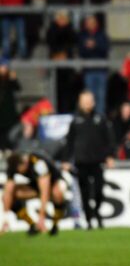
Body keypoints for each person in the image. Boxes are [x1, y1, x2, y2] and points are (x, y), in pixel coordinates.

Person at [64, 91, 115, 230]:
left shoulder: (100, 118)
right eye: (85, 100)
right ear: (80, 103)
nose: (88, 103)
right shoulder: (75, 120)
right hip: (81, 161)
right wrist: (67, 160)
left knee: (99, 190)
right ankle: (89, 220)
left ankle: (96, 211)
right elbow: (69, 142)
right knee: (84, 192)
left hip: (98, 161)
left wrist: (110, 156)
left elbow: (109, 139)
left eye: (90, 100)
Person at [2, 151, 68, 236]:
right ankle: (32, 225)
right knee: (11, 194)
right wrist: (5, 218)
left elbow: (45, 191)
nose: (20, 173)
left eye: (20, 171)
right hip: (36, 185)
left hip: (53, 183)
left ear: (24, 163)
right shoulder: (13, 165)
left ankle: (55, 225)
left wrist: (41, 218)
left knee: (57, 193)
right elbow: (8, 190)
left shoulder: (38, 164)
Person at [79, 14, 110, 115]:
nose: (90, 25)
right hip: (89, 70)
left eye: (92, 22)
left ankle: (100, 118)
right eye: (88, 23)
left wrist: (95, 45)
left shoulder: (101, 35)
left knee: (101, 96)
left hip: (101, 70)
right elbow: (81, 52)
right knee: (89, 96)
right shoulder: (83, 35)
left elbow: (106, 49)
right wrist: (88, 47)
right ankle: (90, 117)